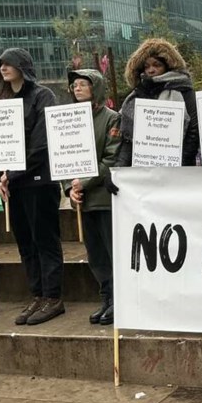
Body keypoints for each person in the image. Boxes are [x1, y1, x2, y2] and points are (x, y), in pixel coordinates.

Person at [0, 48, 66, 326]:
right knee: (25, 244)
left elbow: (42, 144)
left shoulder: (43, 96)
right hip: (12, 186)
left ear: (24, 66)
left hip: (38, 182)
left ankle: (53, 297)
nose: (3, 68)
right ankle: (37, 294)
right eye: (0, 64)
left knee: (45, 240)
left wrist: (14, 173)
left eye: (9, 63)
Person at [61, 69, 121, 325]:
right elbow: (63, 158)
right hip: (83, 202)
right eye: (74, 85)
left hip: (104, 200)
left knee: (111, 252)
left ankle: (120, 300)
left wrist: (82, 182)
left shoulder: (112, 119)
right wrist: (68, 188)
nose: (77, 88)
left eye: (83, 84)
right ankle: (106, 297)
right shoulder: (67, 121)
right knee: (95, 255)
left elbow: (111, 158)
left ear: (95, 87)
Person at [116, 38, 200, 167]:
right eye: (146, 66)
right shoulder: (138, 95)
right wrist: (120, 166)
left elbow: (194, 129)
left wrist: (182, 162)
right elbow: (128, 138)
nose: (151, 70)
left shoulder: (183, 91)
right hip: (144, 167)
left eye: (157, 65)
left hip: (178, 167)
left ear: (168, 66)